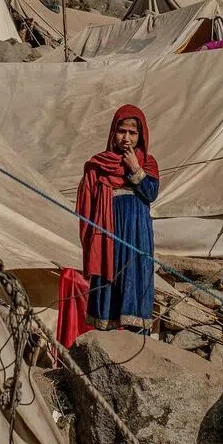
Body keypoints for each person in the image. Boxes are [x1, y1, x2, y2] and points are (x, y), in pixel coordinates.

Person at [75, 105, 160, 331]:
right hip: (107, 233)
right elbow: (87, 204)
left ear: (141, 136)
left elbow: (151, 193)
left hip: (137, 234)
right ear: (114, 132)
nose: (127, 138)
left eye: (133, 133)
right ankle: (105, 329)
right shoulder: (100, 164)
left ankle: (135, 329)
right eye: (122, 131)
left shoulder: (148, 162)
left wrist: (135, 168)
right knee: (108, 279)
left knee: (134, 275)